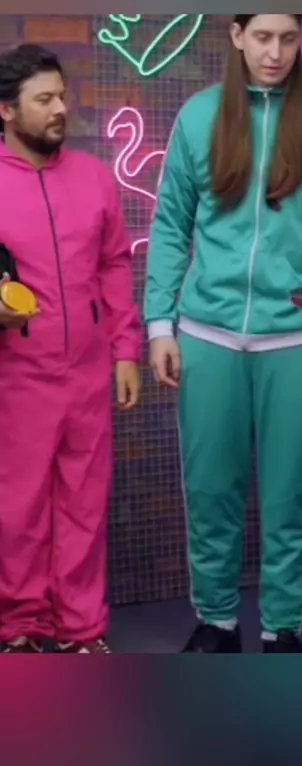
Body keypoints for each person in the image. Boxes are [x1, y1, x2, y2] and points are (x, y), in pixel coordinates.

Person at [145, 13, 302, 653]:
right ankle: (216, 622)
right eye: (262, 37)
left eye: (287, 38)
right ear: (236, 35)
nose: (276, 52)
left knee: (289, 497)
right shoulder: (199, 116)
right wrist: (160, 324)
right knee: (209, 491)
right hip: (207, 333)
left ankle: (283, 628)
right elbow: (170, 224)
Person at [0, 44, 142, 654]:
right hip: (16, 374)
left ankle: (81, 629)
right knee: (19, 507)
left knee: (85, 503)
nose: (61, 108)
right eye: (44, 99)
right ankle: (20, 627)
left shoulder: (94, 177)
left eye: (62, 95)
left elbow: (115, 264)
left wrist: (126, 350)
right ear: (7, 110)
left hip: (87, 372)